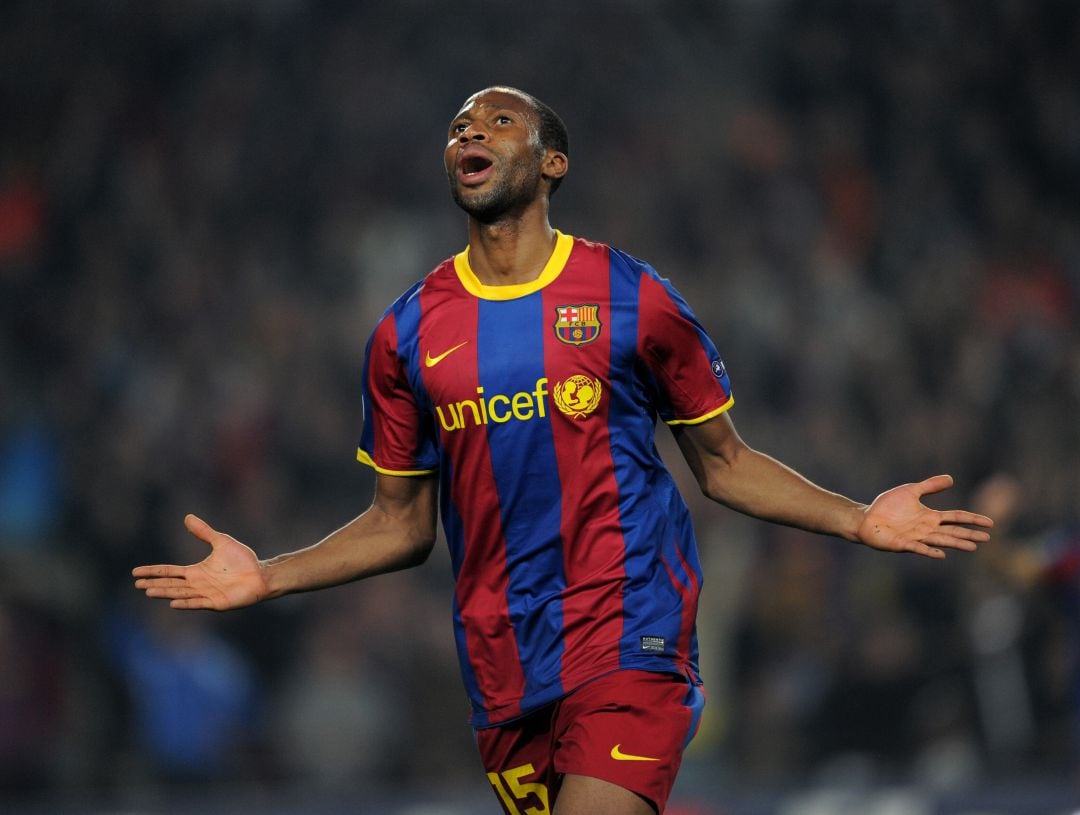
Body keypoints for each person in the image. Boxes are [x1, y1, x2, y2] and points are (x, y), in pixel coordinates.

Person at [133, 86, 994, 814]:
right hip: (503, 653)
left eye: (498, 121)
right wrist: (270, 574)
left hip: (629, 625)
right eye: (460, 126)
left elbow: (724, 462)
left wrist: (858, 518)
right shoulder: (406, 332)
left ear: (553, 162)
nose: (470, 131)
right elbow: (400, 525)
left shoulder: (631, 297)